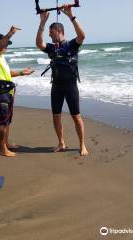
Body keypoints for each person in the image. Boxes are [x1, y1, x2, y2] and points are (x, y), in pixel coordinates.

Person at [36, 5, 88, 156]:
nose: (49, 35)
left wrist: (71, 15)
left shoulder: (72, 45)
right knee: (56, 116)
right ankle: (61, 143)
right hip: (56, 87)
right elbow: (39, 44)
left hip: (71, 86)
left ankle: (82, 145)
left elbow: (82, 36)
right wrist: (42, 22)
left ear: (59, 31)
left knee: (76, 117)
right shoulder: (52, 48)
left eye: (50, 32)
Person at [0, 26, 34, 157]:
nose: (7, 46)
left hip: (7, 92)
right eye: (5, 43)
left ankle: (6, 143)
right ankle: (2, 149)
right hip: (0, 92)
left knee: (7, 120)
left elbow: (8, 73)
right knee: (2, 121)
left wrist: (22, 73)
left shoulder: (1, 58)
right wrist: (10, 33)